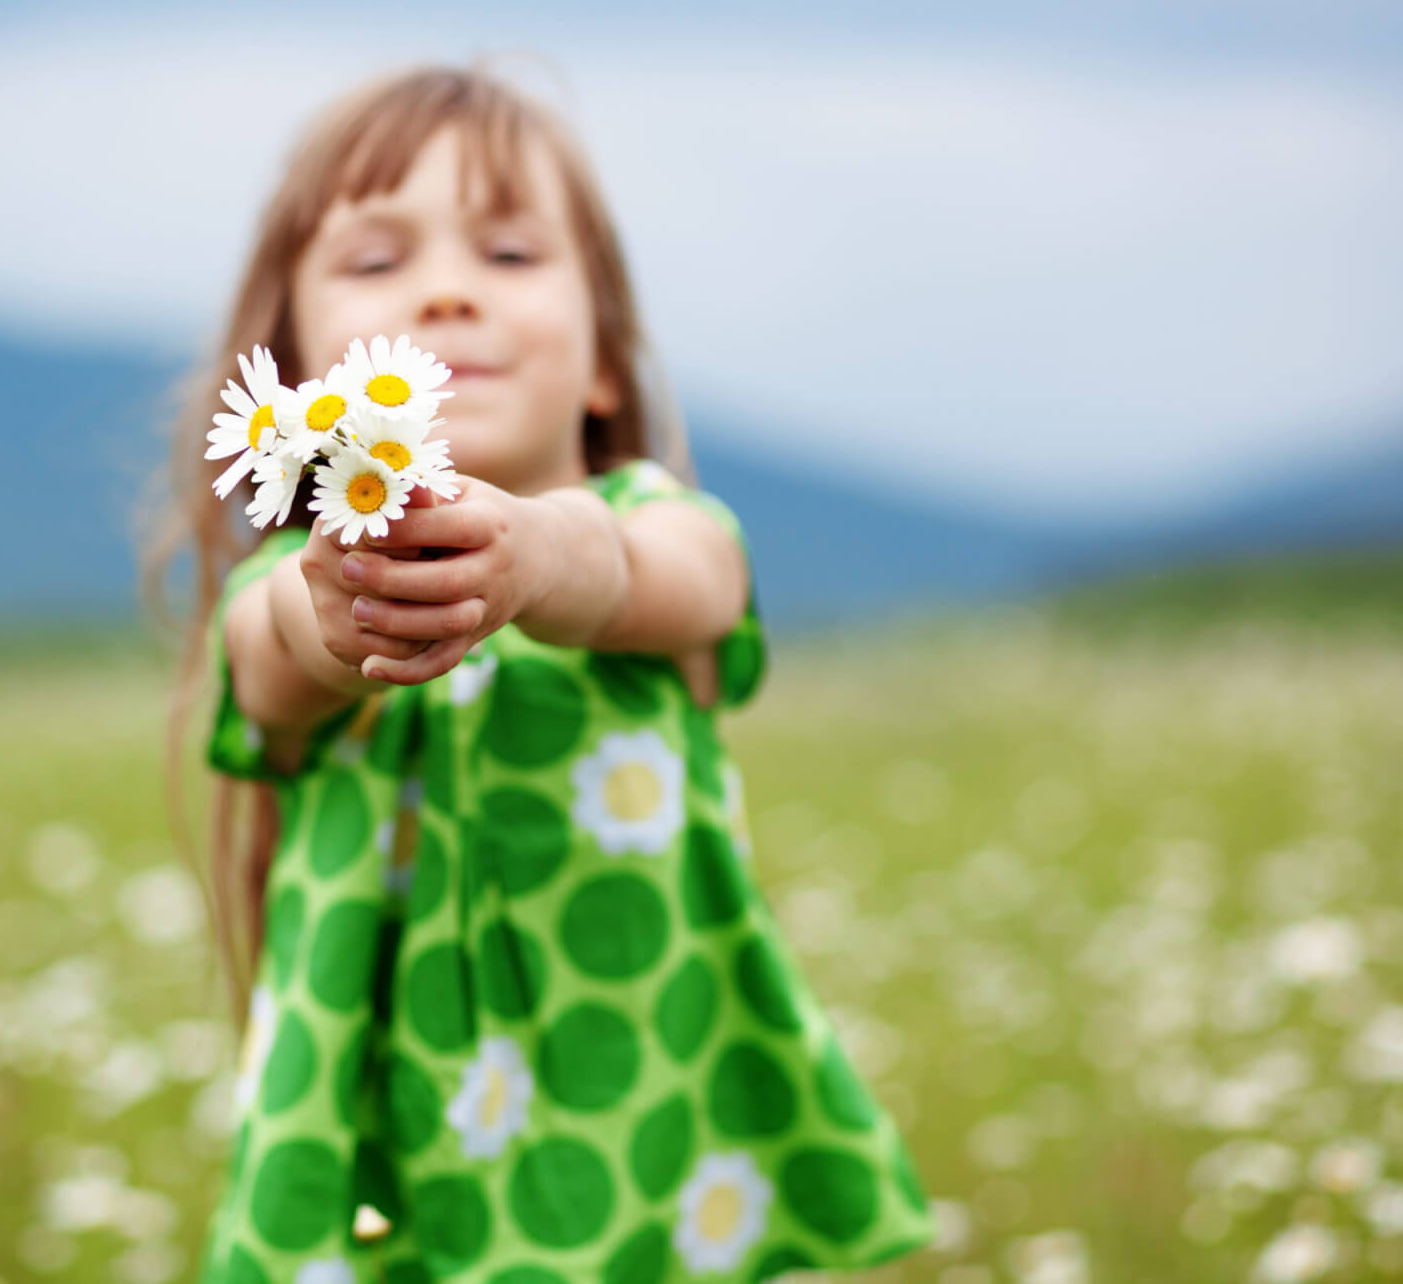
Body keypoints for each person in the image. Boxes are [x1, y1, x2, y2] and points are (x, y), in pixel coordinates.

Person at [144, 63, 936, 1282]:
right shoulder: (290, 590)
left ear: (605, 363)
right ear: (293, 376)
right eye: (375, 262)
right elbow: (280, 658)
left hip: (642, 1127)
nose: (447, 292)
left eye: (509, 255)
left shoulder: (663, 529)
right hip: (382, 1150)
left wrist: (540, 550)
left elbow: (661, 578)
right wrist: (343, 606)